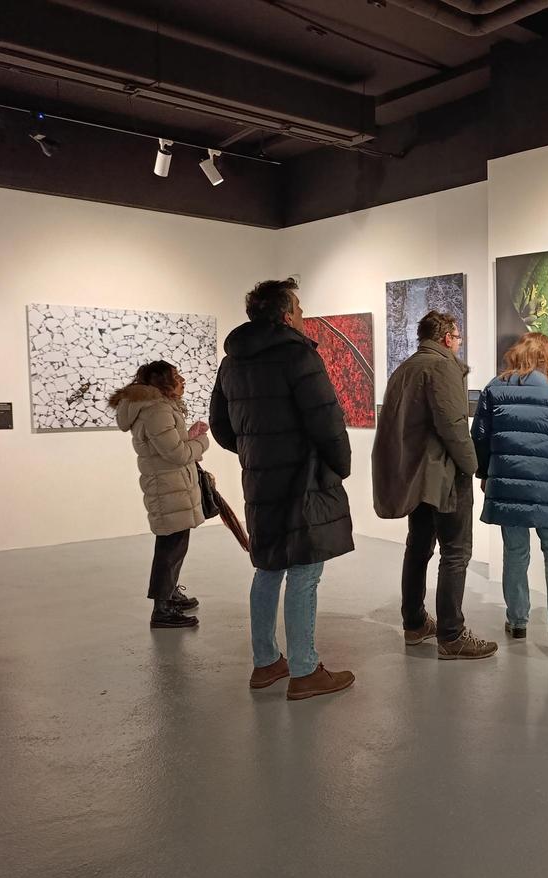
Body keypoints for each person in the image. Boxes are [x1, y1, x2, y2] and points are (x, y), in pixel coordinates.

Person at [209, 278, 356, 701]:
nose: (304, 314)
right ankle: (305, 670)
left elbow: (220, 426)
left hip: (260, 478)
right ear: (286, 314)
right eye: (299, 307)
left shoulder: (232, 362)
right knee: (305, 571)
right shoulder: (297, 355)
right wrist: (340, 465)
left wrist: (256, 450)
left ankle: (266, 661)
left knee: (268, 567)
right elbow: (326, 420)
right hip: (303, 478)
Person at [373, 311, 498, 661]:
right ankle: (452, 635)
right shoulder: (442, 367)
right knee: (456, 552)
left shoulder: (406, 367)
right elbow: (453, 425)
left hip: (418, 476)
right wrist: (473, 466)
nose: (459, 343)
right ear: (446, 338)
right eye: (457, 337)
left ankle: (414, 623)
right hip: (443, 475)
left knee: (418, 547)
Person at [472, 332, 548, 644]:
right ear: (546, 356)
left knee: (515, 551)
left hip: (507, 481)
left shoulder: (495, 388)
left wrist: (484, 471)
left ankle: (517, 620)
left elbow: (479, 435)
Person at [109, 360, 208, 629]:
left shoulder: (157, 407)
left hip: (170, 484)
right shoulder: (156, 410)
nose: (182, 380)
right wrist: (201, 442)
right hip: (168, 487)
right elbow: (176, 453)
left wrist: (188, 436)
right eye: (176, 375)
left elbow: (168, 445)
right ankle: (162, 609)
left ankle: (170, 593)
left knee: (174, 544)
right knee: (170, 546)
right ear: (162, 381)